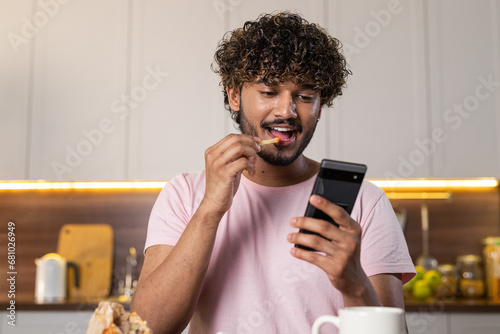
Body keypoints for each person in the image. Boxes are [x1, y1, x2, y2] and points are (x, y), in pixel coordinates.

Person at [131, 12, 415, 334]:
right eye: (269, 92)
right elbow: (148, 328)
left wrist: (354, 285)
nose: (287, 111)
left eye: (305, 96)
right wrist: (210, 209)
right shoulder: (183, 195)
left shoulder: (366, 202)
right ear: (234, 95)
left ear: (322, 104)